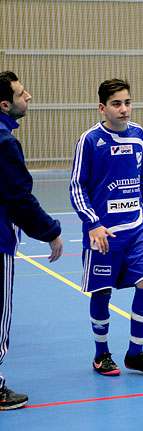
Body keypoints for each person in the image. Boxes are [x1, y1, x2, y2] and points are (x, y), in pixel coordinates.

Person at [70, 78, 143, 378]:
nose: (124, 109)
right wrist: (92, 223)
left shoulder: (138, 135)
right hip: (104, 234)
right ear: (102, 108)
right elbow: (76, 187)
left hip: (135, 228)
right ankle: (101, 355)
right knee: (102, 292)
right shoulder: (90, 141)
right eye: (116, 104)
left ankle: (135, 354)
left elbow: (142, 177)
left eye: (127, 102)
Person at [0, 71, 63, 410]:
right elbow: (19, 200)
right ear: (5, 104)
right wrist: (51, 232)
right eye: (23, 94)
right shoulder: (5, 142)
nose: (29, 98)